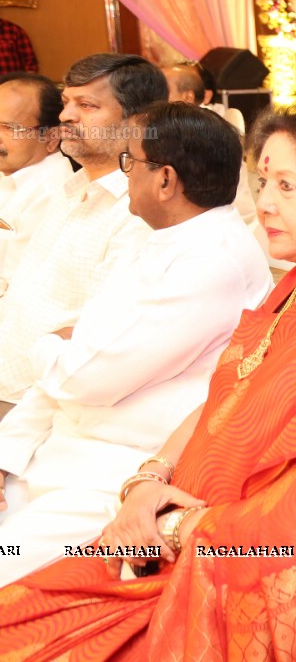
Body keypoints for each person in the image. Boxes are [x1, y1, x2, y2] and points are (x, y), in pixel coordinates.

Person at [0, 107, 296, 658]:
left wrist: (180, 527)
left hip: (262, 564)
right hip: (187, 520)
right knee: (24, 607)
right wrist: (148, 480)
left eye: (287, 185)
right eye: (262, 182)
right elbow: (224, 397)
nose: (265, 203)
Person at [0, 102, 271, 584]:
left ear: (166, 181)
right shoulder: (160, 236)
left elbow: (80, 377)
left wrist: (46, 343)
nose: (123, 175)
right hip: (58, 449)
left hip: (109, 475)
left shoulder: (208, 262)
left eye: (129, 161)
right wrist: (6, 453)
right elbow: (71, 364)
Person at [0, 55, 163, 408]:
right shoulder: (70, 191)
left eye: (86, 105)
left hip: (31, 402)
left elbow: (96, 347)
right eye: (65, 103)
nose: (65, 117)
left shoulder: (138, 213)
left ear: (137, 121)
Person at [0, 75, 73, 287]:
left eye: (10, 128)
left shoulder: (56, 193)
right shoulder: (11, 170)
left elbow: (16, 284)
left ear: (50, 138)